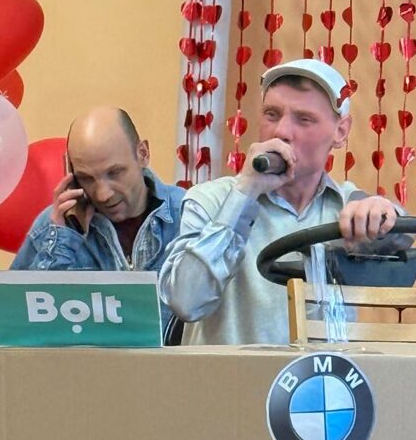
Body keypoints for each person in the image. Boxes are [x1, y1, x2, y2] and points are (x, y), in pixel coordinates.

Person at [159, 58, 401, 346]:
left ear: (340, 132)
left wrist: (384, 214)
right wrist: (245, 193)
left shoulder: (347, 206)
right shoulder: (209, 200)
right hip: (230, 375)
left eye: (304, 119)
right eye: (271, 114)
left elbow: (406, 247)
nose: (281, 132)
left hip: (320, 375)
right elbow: (185, 302)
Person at [11, 106, 184, 331]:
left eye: (115, 173)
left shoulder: (188, 216)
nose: (103, 194)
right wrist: (63, 241)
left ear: (143, 154)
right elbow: (15, 324)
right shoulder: (53, 227)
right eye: (86, 178)